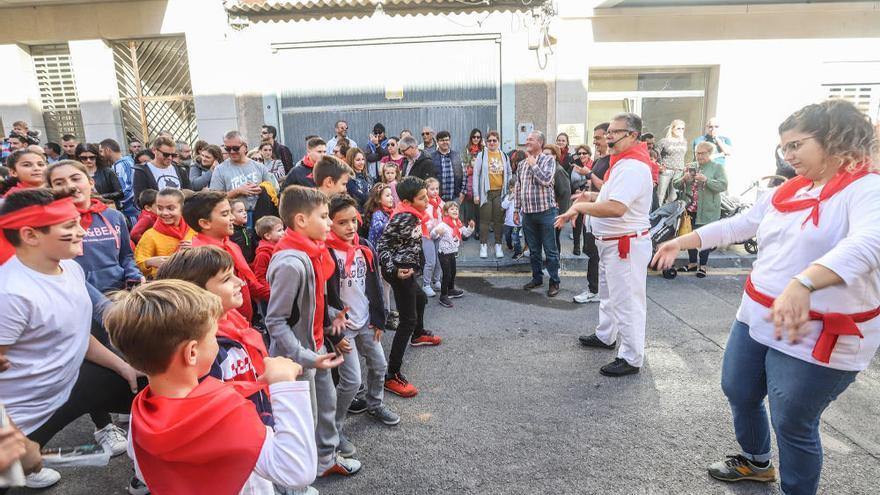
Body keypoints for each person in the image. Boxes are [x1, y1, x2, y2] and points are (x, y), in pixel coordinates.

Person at [652, 99, 880, 495]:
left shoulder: (867, 187)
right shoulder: (791, 188)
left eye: (797, 145)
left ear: (832, 140)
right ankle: (757, 463)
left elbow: (870, 243)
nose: (788, 155)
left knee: (793, 421)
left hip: (816, 332)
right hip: (758, 316)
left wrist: (803, 283)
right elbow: (742, 224)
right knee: (739, 390)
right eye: (784, 147)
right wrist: (683, 240)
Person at [104, 279, 318, 494]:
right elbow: (296, 469)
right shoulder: (225, 412)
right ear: (192, 353)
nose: (217, 341)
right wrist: (284, 384)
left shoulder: (141, 410)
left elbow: (141, 469)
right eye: (214, 336)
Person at [0, 188, 141, 489]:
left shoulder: (71, 268)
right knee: (7, 477)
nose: (82, 231)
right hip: (26, 413)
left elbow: (77, 335)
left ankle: (148, 473)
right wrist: (11, 437)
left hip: (69, 386)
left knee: (153, 388)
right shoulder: (11, 294)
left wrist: (124, 368)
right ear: (30, 235)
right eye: (69, 226)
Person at [264, 185, 360, 478]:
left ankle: (324, 460)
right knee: (304, 419)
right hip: (298, 357)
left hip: (315, 347)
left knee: (326, 408)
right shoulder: (292, 262)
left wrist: (332, 315)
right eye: (324, 216)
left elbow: (309, 303)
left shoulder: (312, 252)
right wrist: (306, 356)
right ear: (301, 221)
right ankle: (296, 477)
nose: (330, 223)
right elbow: (276, 321)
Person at [557, 112, 654, 377]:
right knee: (610, 295)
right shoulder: (623, 162)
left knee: (627, 302)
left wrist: (579, 207)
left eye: (614, 132)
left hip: (624, 246)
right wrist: (591, 195)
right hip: (612, 244)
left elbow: (616, 207)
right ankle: (606, 335)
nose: (608, 137)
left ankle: (631, 357)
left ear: (632, 135)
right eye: (608, 132)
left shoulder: (633, 166)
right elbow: (612, 197)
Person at [155, 247, 274, 428]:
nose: (240, 282)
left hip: (259, 421)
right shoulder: (205, 350)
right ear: (197, 294)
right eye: (227, 279)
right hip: (242, 434)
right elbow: (216, 414)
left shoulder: (233, 320)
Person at [325, 194, 400, 458]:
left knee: (379, 365)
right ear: (329, 224)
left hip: (367, 320)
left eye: (353, 221)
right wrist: (332, 335)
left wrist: (380, 318)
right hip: (342, 327)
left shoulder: (365, 245)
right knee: (351, 379)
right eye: (342, 222)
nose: (350, 227)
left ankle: (374, 404)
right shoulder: (324, 253)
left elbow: (376, 287)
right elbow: (322, 299)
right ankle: (334, 428)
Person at [377, 176, 442, 398]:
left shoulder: (412, 213)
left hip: (407, 268)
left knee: (421, 299)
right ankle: (391, 375)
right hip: (400, 271)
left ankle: (418, 335)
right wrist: (395, 270)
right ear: (407, 200)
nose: (427, 201)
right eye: (422, 198)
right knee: (408, 319)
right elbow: (382, 245)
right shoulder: (404, 217)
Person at [47, 160, 142, 293]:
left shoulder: (115, 216)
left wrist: (134, 276)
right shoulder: (51, 223)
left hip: (119, 293)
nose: (69, 186)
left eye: (75, 179)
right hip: (78, 294)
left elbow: (126, 255)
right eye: (59, 183)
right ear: (51, 189)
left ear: (91, 182)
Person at [186, 191, 270, 323]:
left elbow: (247, 282)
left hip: (243, 320)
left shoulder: (230, 245)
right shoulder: (202, 258)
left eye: (231, 212)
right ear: (205, 223)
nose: (232, 218)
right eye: (225, 214)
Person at [513, 131, 560, 298]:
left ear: (540, 142)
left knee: (550, 250)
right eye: (527, 139)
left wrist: (534, 165)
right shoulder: (521, 164)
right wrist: (516, 210)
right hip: (528, 214)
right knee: (533, 250)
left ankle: (554, 281)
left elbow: (546, 180)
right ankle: (537, 278)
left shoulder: (548, 160)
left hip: (546, 212)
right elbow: (518, 188)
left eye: (531, 139)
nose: (527, 141)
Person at [673, 141, 728, 277]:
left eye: (702, 153)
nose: (699, 156)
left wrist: (706, 180)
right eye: (697, 153)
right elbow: (676, 184)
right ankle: (692, 263)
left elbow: (723, 186)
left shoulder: (717, 167)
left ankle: (702, 265)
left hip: (708, 210)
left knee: (705, 238)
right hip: (690, 210)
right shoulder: (690, 167)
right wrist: (684, 179)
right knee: (690, 236)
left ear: (710, 154)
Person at [210, 131, 278, 227]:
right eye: (228, 149)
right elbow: (214, 199)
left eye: (236, 148)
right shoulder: (220, 170)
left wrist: (263, 190)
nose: (232, 152)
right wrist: (238, 191)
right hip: (235, 221)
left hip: (261, 216)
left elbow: (273, 192)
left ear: (245, 147)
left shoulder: (259, 167)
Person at [570, 143, 605, 305]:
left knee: (596, 255)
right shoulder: (601, 161)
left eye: (599, 138)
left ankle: (595, 290)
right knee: (591, 252)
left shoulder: (611, 162)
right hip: (590, 213)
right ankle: (595, 289)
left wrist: (589, 174)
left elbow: (607, 190)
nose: (596, 142)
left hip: (601, 216)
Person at [134, 188, 194, 277]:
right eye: (160, 208)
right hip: (165, 285)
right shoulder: (150, 235)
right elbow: (136, 264)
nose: (165, 213)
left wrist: (198, 248)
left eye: (170, 208)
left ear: (182, 208)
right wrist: (149, 262)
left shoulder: (194, 229)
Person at [364, 183, 398, 329]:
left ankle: (388, 311)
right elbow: (380, 228)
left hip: (385, 255)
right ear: (378, 199)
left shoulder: (388, 212)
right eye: (388, 195)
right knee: (383, 286)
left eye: (391, 195)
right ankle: (385, 314)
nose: (391, 198)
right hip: (378, 256)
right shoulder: (378, 214)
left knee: (386, 285)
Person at [473, 130, 511, 259]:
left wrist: (509, 189)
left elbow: (510, 173)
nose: (492, 143)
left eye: (494, 140)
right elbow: (476, 175)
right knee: (484, 220)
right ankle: (483, 245)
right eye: (489, 140)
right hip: (485, 193)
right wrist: (476, 194)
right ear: (486, 142)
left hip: (500, 193)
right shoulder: (482, 155)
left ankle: (498, 245)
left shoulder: (504, 155)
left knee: (498, 221)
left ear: (498, 142)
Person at [431, 202, 475, 308]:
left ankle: (450, 290)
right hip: (444, 253)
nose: (455, 210)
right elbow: (432, 235)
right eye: (452, 209)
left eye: (456, 209)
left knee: (453, 272)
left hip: (452, 253)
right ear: (446, 213)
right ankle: (443, 295)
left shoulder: (458, 223)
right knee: (447, 274)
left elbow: (465, 234)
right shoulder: (443, 225)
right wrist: (437, 232)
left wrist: (470, 227)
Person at [132, 136, 191, 201]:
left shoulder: (180, 170)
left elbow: (190, 194)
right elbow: (139, 200)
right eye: (166, 154)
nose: (170, 158)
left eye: (173, 155)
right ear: (154, 150)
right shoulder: (142, 171)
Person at [99, 138, 138, 225]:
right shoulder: (116, 165)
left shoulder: (124, 164)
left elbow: (129, 188)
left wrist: (119, 201)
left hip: (130, 212)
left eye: (101, 151)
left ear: (108, 150)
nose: (100, 155)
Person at [74, 143, 123, 209]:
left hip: (107, 208)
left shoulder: (107, 171)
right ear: (78, 158)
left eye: (92, 157)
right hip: (85, 210)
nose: (88, 160)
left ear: (96, 157)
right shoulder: (75, 174)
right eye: (84, 158)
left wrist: (101, 196)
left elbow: (120, 193)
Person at [544, 144, 572, 255]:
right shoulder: (546, 168)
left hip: (555, 213)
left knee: (553, 241)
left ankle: (556, 266)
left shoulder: (558, 170)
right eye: (543, 154)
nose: (544, 157)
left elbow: (565, 194)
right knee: (548, 241)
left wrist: (563, 217)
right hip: (546, 212)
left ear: (555, 156)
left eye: (547, 155)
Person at [656, 119, 688, 205]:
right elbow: (655, 153)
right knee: (660, 195)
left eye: (682, 128)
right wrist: (660, 164)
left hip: (679, 171)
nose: (681, 130)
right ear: (672, 129)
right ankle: (657, 214)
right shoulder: (664, 141)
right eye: (678, 128)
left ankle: (667, 212)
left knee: (674, 196)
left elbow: (682, 156)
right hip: (666, 170)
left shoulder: (684, 141)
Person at [421, 178, 443, 297]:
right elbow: (424, 220)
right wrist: (432, 229)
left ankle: (436, 280)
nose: (435, 191)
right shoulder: (425, 203)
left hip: (438, 235)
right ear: (426, 190)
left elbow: (444, 216)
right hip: (427, 235)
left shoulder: (440, 202)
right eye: (432, 189)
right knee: (431, 261)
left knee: (439, 260)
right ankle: (426, 284)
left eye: (437, 188)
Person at [252, 215, 284, 289]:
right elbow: (260, 278)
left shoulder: (281, 247)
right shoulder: (263, 255)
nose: (283, 232)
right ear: (267, 236)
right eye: (279, 230)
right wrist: (271, 292)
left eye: (283, 229)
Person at [431, 131, 464, 203]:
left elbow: (464, 175)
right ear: (437, 142)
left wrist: (462, 192)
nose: (445, 142)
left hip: (455, 197)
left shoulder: (457, 156)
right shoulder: (432, 157)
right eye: (442, 140)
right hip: (437, 198)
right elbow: (429, 177)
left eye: (447, 140)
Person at [501, 177, 523, 259]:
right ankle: (510, 246)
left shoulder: (521, 198)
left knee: (515, 237)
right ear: (510, 188)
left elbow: (523, 209)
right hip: (507, 223)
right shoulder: (508, 197)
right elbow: (503, 206)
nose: (514, 189)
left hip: (516, 224)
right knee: (507, 236)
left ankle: (518, 251)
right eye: (512, 187)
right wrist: (510, 198)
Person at [230, 198, 257, 264]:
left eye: (245, 210)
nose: (245, 213)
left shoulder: (248, 230)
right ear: (230, 215)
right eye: (240, 211)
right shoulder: (230, 233)